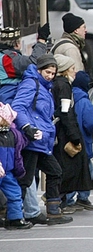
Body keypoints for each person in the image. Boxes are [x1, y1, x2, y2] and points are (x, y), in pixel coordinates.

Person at [12, 54, 73, 225]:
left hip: (41, 140)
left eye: (53, 73)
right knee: (26, 179)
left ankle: (52, 210)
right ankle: (15, 216)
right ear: (39, 70)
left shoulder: (45, 86)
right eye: (47, 72)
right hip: (32, 139)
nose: (50, 75)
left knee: (54, 172)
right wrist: (27, 127)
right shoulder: (31, 83)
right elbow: (18, 107)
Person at [51, 54, 91, 213]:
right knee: (68, 169)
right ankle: (59, 201)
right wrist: (74, 136)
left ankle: (59, 200)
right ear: (65, 70)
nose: (75, 72)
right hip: (65, 135)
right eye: (73, 68)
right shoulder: (64, 86)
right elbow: (66, 113)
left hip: (61, 132)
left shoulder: (58, 84)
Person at [65, 68, 93, 211]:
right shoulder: (84, 101)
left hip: (69, 140)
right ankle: (81, 197)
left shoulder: (69, 96)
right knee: (86, 169)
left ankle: (67, 197)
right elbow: (91, 123)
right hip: (83, 141)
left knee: (70, 169)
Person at [0, 103, 32, 229]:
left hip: (8, 172)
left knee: (15, 194)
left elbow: (22, 144)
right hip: (5, 169)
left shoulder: (13, 134)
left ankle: (15, 218)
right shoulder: (12, 134)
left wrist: (31, 136)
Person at [0, 25, 48, 104]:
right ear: (17, 44)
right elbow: (34, 62)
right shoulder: (7, 59)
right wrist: (41, 41)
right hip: (9, 98)